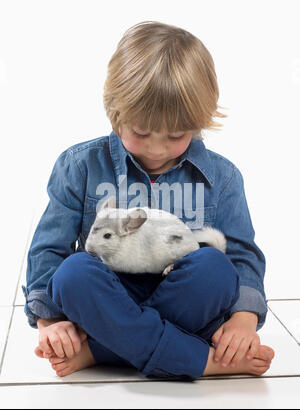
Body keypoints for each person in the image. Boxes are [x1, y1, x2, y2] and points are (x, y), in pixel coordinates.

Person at [22, 21, 274, 380]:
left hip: (183, 304)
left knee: (215, 268)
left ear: (199, 123)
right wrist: (50, 322)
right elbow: (48, 250)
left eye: (175, 135)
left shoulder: (224, 176)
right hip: (105, 300)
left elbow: (242, 255)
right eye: (141, 132)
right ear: (116, 113)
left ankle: (101, 350)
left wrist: (243, 321)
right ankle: (202, 361)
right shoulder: (79, 165)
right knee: (73, 273)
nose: (157, 149)